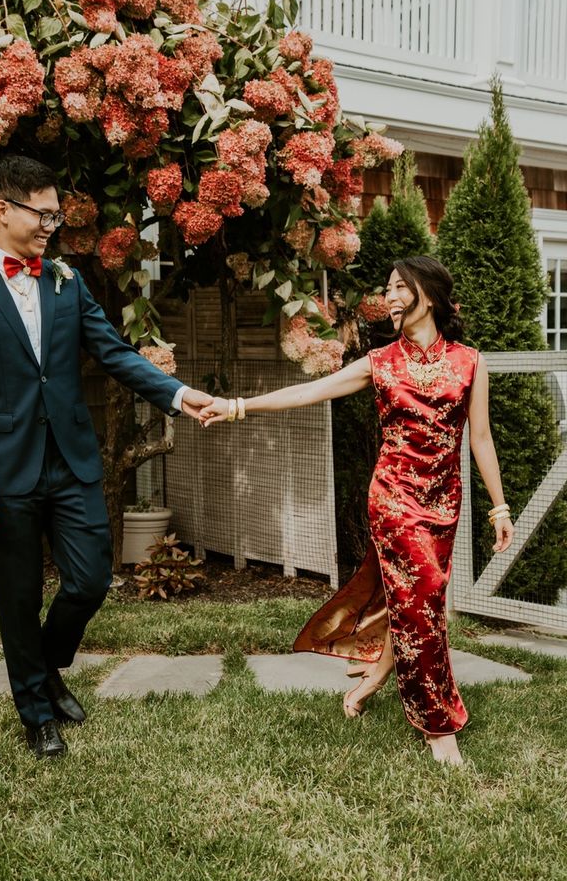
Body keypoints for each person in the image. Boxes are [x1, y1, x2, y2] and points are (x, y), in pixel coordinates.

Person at [0, 155, 212, 759]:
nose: (51, 225)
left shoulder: (66, 280)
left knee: (88, 580)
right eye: (43, 213)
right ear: (4, 209)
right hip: (2, 471)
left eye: (56, 215)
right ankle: (35, 711)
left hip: (72, 461)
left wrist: (178, 395)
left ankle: (47, 664)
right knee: (18, 595)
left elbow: (113, 352)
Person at [200, 256, 513, 766]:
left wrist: (499, 508)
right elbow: (310, 391)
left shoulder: (471, 362)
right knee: (422, 601)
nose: (388, 297)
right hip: (392, 498)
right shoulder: (381, 361)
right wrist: (237, 406)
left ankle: (373, 678)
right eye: (386, 288)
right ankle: (438, 726)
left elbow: (480, 438)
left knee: (415, 602)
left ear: (426, 296)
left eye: (398, 288)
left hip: (444, 503)